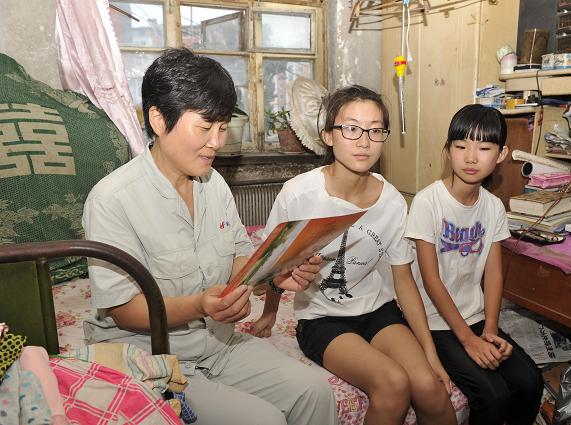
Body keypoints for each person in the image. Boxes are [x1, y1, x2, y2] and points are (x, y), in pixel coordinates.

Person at [82, 48, 338, 425]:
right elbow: (124, 309)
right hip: (150, 356)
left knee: (315, 392)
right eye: (205, 128)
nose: (217, 142)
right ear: (158, 119)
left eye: (222, 127)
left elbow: (238, 260)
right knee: (262, 420)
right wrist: (200, 305)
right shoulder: (111, 200)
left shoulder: (213, 183)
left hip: (218, 343)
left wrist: (272, 276)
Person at [252, 85, 456, 425]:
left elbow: (404, 283)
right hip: (321, 319)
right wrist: (270, 312)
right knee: (393, 384)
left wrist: (430, 355)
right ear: (328, 136)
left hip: (378, 311)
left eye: (375, 130)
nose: (364, 141)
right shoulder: (299, 194)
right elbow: (272, 266)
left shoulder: (392, 201)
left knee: (429, 387)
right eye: (351, 128)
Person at [405, 104, 544, 425]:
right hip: (435, 322)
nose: (470, 157)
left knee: (530, 382)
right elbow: (430, 279)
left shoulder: (493, 207)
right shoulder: (428, 202)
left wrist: (491, 328)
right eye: (461, 146)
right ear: (448, 150)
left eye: (483, 148)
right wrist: (468, 339)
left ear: (501, 154)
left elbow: (493, 273)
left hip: (476, 317)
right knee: (492, 396)